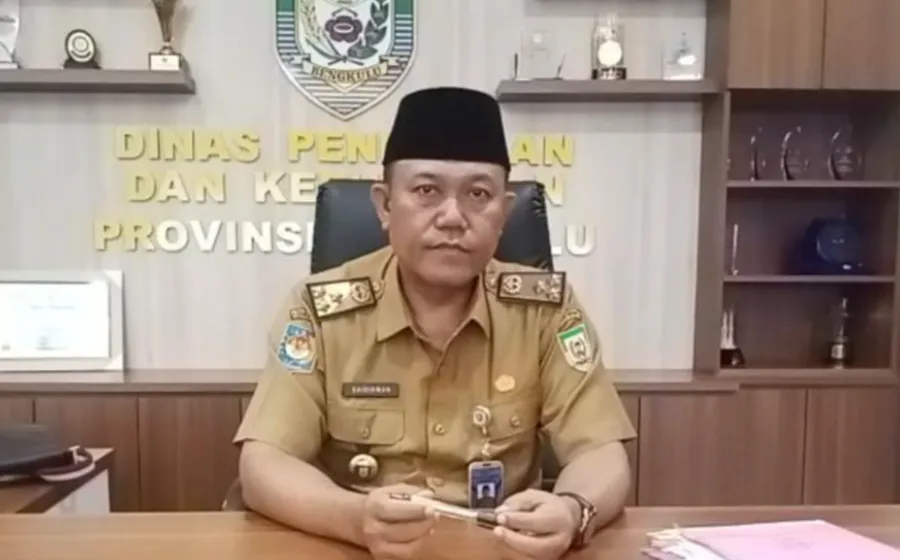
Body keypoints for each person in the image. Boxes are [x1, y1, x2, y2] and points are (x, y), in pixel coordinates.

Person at [234, 86, 636, 560]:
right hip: (360, 550)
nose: (452, 217)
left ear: (504, 213)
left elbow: (601, 453)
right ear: (385, 205)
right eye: (427, 191)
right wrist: (354, 519)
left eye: (478, 194)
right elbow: (264, 461)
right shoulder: (321, 309)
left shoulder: (545, 310)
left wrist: (571, 512)